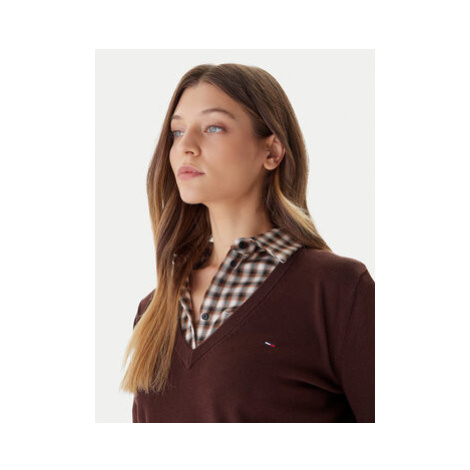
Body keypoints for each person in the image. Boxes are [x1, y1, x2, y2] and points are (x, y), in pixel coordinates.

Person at [120, 63, 375, 423]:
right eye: (177, 132)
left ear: (272, 152)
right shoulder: (153, 310)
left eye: (213, 127)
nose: (186, 147)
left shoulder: (338, 290)